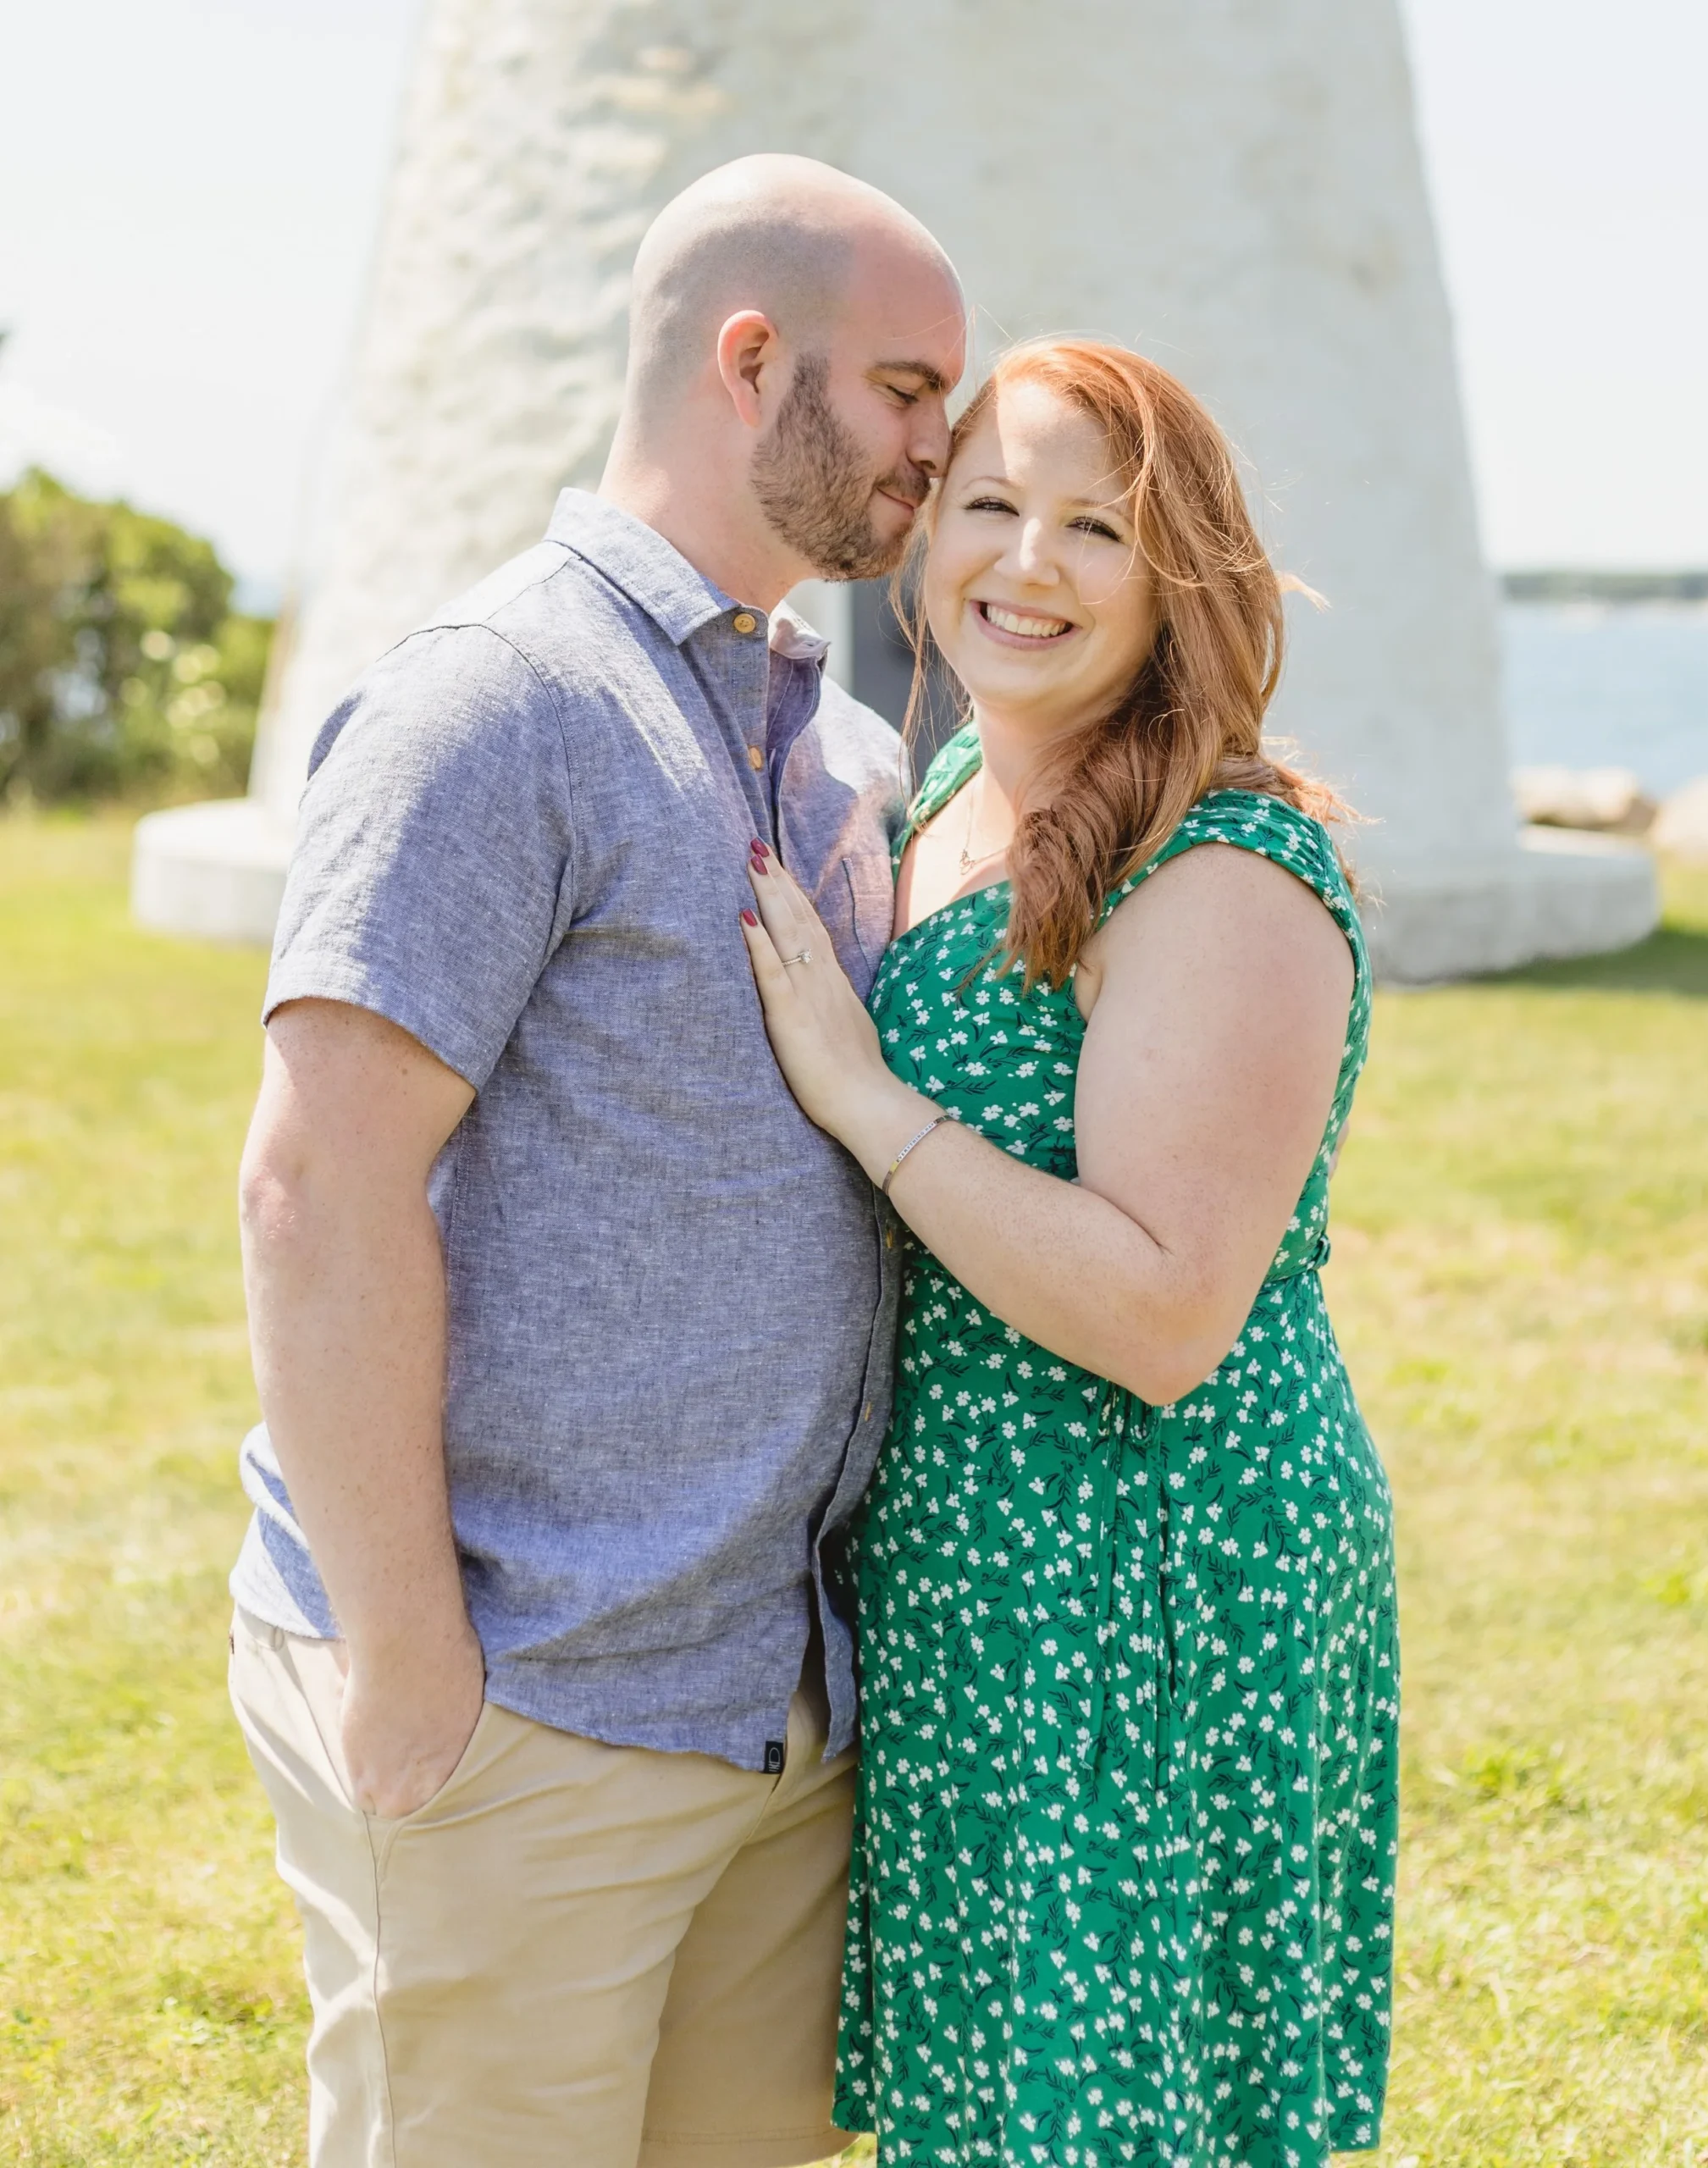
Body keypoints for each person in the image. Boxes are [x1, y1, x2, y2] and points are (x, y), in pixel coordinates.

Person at [227, 153, 966, 2167]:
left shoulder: (851, 757)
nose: (942, 443)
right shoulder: (493, 700)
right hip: (523, 1702)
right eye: (905, 388)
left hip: (776, 1709)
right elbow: (316, 1187)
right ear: (752, 358)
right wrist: (411, 1669)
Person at [738, 338, 1400, 2166]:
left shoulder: (1222, 865)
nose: (1027, 563)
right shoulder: (954, 788)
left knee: (1114, 2108)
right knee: (998, 2096)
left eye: (1096, 527)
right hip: (983, 1567)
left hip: (1148, 1565)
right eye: (990, 503)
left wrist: (863, 1098)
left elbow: (1165, 1308)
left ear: (1179, 572)